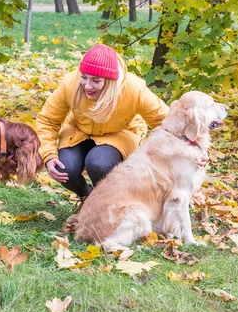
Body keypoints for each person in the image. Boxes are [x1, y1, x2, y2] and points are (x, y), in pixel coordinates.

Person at [36, 44, 169, 210]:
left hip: (120, 133)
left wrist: (192, 147)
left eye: (96, 81)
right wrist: (48, 154)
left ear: (111, 81)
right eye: (84, 77)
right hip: (79, 130)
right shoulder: (71, 83)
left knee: (98, 164)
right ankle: (87, 197)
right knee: (64, 168)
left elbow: (168, 122)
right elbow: (48, 120)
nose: (87, 86)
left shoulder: (134, 89)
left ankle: (109, 206)